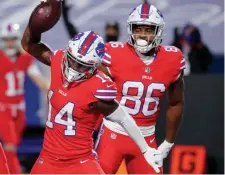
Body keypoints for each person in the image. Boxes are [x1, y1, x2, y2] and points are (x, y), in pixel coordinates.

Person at [21, 3, 163, 173]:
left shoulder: (98, 87)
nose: (73, 67)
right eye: (72, 60)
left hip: (80, 162)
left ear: (94, 67)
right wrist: (35, 25)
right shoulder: (59, 62)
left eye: (80, 65)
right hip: (48, 159)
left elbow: (124, 119)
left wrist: (146, 149)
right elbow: (28, 44)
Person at [95, 3, 185, 174]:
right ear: (131, 30)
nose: (142, 35)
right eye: (138, 29)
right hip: (113, 133)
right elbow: (91, 91)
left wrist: (168, 142)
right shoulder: (113, 53)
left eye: (149, 30)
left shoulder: (173, 59)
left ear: (158, 31)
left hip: (146, 137)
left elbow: (176, 103)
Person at [0, 23, 49, 174]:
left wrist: (53, 92)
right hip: (4, 108)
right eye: (6, 40)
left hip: (20, 109)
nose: (9, 43)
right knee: (10, 146)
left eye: (12, 39)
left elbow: (39, 80)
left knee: (11, 146)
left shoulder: (25, 59)